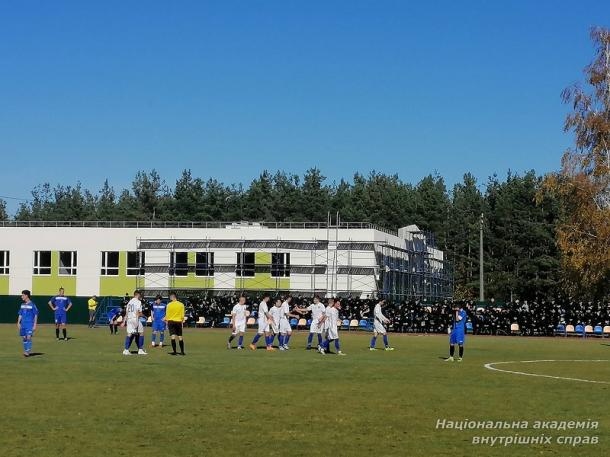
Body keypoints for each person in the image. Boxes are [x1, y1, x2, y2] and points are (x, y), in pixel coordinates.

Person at [122, 290, 147, 356]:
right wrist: (144, 316)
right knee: (141, 333)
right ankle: (140, 350)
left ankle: (126, 350)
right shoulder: (138, 302)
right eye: (140, 295)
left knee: (129, 334)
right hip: (135, 319)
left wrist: (124, 321)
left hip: (129, 319)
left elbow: (127, 312)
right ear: (138, 295)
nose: (141, 296)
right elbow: (138, 312)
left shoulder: (130, 302)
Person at [17, 290, 39, 357]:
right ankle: (26, 350)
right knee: (24, 338)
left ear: (26, 295)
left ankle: (27, 352)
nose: (21, 297)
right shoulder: (22, 305)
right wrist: (18, 322)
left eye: (23, 295)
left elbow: (36, 314)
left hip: (29, 324)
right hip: (23, 324)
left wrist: (35, 324)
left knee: (28, 337)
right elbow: (20, 314)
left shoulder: (32, 304)